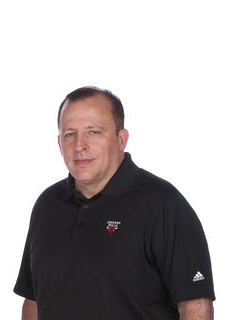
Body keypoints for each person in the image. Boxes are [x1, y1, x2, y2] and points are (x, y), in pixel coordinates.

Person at [14, 86, 215, 319]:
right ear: (59, 143)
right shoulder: (47, 206)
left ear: (121, 139)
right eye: (70, 134)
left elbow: (196, 306)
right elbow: (33, 300)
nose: (80, 145)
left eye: (94, 132)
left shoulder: (163, 204)